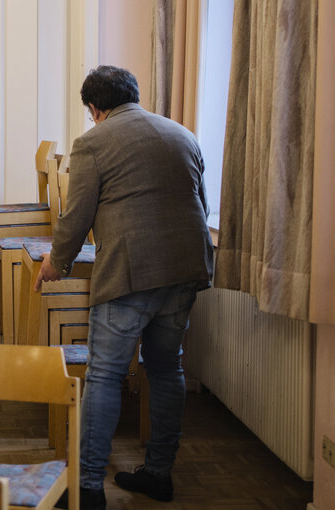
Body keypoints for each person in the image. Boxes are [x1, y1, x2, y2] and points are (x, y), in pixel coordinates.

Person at [36, 65, 214, 510]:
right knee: (166, 369)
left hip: (131, 275)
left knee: (104, 375)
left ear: (95, 109)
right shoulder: (183, 134)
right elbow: (201, 203)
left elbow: (75, 216)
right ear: (132, 95)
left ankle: (89, 487)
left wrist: (56, 263)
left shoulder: (93, 142)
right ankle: (159, 474)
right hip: (185, 269)